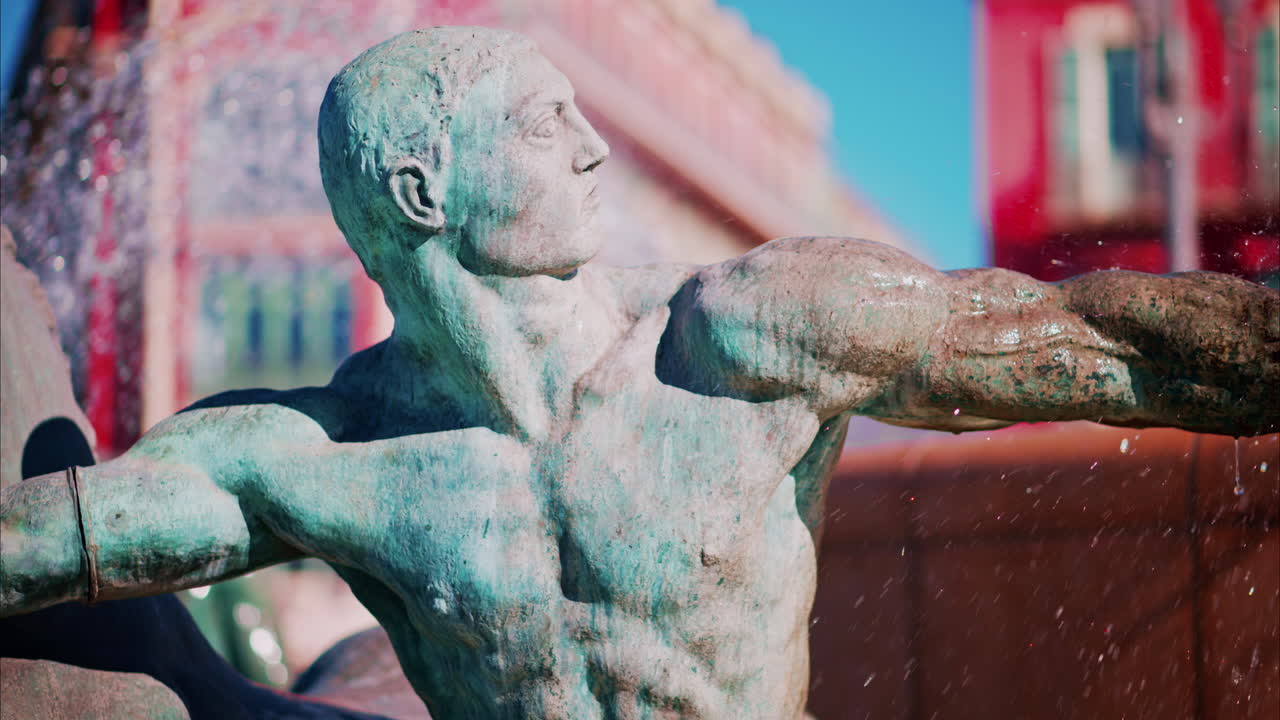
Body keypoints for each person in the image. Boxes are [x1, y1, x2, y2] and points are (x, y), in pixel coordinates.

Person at [2, 27, 1275, 720]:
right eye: (540, 122)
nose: (593, 148)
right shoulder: (319, 456)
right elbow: (53, 541)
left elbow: (1098, 340)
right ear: (422, 192)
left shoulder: (741, 336)